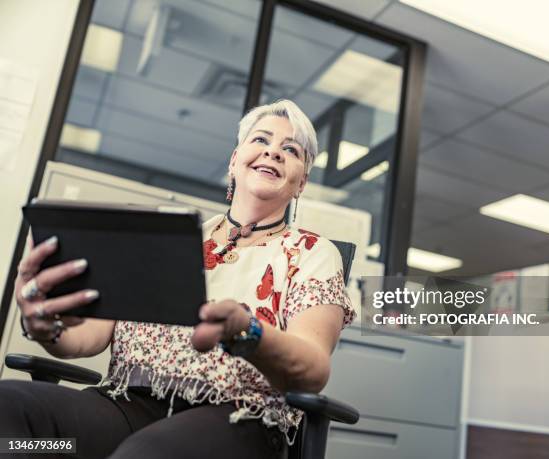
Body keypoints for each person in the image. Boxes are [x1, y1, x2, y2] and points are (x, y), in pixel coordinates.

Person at [0, 99, 356, 459]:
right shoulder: (170, 239)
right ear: (235, 160)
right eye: (261, 140)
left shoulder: (311, 253)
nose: (273, 152)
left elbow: (311, 368)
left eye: (290, 149)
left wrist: (248, 332)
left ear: (302, 183)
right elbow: (90, 336)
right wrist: (47, 327)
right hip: (126, 409)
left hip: (238, 420)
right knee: (11, 413)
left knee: (143, 454)